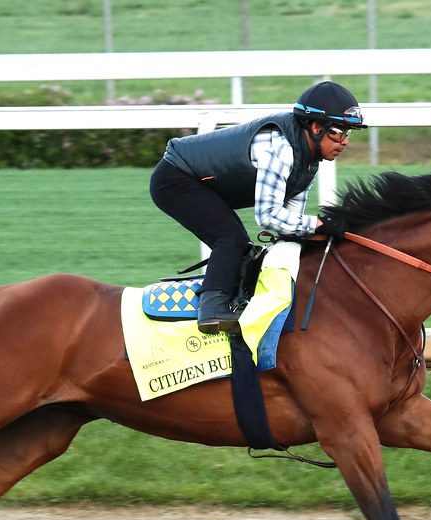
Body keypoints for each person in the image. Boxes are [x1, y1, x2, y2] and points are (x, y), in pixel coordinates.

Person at [150, 81, 367, 334]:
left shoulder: (309, 162)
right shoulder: (282, 148)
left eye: (348, 133)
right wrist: (319, 223)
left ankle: (234, 301)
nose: (344, 141)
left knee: (242, 245)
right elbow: (268, 216)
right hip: (175, 177)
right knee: (230, 238)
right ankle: (212, 310)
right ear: (316, 127)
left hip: (198, 181)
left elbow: (290, 223)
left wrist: (322, 232)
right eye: (338, 132)